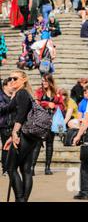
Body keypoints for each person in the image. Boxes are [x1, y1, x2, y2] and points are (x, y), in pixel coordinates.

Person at [1, 71, 37, 201]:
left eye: (15, 78)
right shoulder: (22, 94)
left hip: (23, 135)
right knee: (26, 169)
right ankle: (22, 200)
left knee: (11, 168)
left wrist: (14, 133)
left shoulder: (22, 93)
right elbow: (5, 110)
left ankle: (20, 199)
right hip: (29, 136)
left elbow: (21, 115)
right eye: (10, 78)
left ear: (24, 79)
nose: (11, 80)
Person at [32, 74, 65, 175]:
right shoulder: (39, 91)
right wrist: (46, 104)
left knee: (50, 144)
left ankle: (47, 167)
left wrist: (54, 105)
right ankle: (32, 167)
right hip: (41, 121)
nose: (44, 83)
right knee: (37, 144)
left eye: (46, 81)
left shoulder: (57, 92)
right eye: (43, 81)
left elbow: (62, 106)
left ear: (50, 81)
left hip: (52, 121)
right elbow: (35, 104)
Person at [0, 78, 13, 175]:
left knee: (12, 147)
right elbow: (2, 108)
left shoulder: (13, 96)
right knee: (6, 146)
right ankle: (5, 168)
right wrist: (13, 102)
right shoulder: (1, 96)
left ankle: (10, 167)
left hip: (13, 124)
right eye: (10, 84)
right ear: (4, 86)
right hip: (4, 125)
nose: (12, 85)